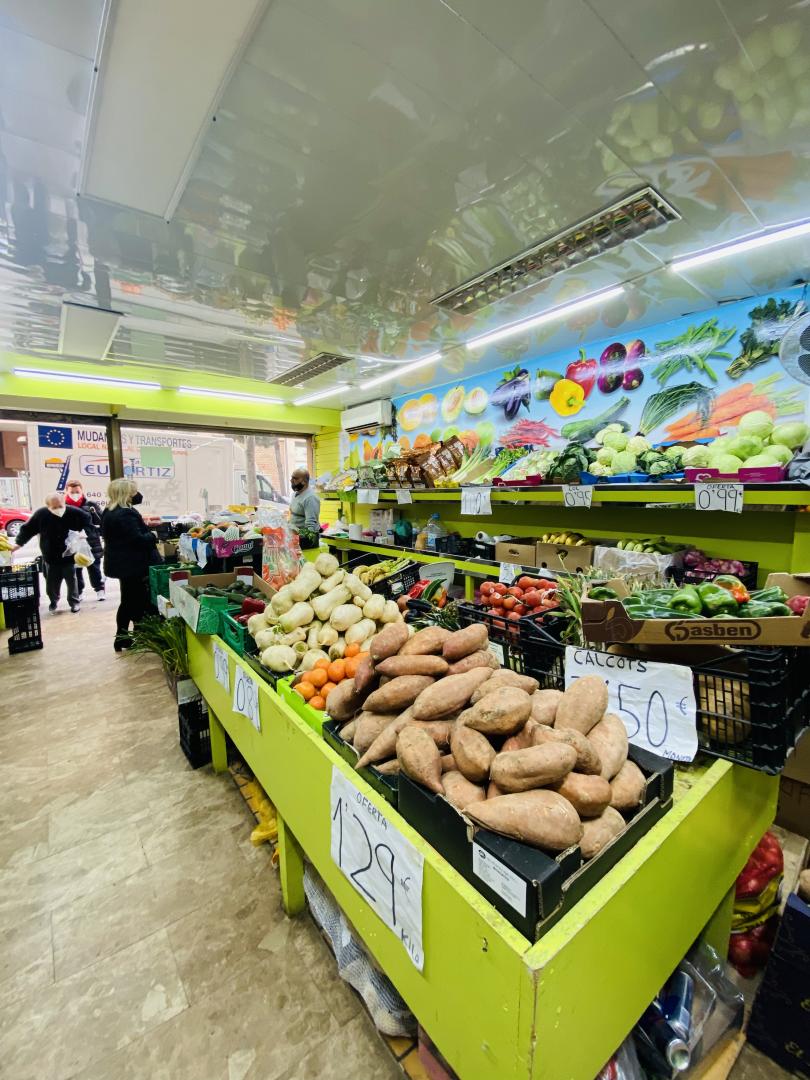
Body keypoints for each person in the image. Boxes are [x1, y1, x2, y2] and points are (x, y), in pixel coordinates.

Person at [101, 478, 159, 652]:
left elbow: (123, 536)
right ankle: (125, 637)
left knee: (129, 600)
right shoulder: (125, 514)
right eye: (134, 492)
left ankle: (125, 637)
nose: (137, 494)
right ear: (126, 493)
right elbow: (137, 540)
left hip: (121, 564)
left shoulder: (109, 510)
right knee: (132, 601)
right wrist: (153, 535)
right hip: (132, 565)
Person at [13, 492, 91, 613]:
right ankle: (53, 601)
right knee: (51, 583)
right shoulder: (41, 514)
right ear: (48, 506)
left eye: (60, 506)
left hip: (69, 555)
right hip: (50, 555)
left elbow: (87, 519)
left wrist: (84, 532)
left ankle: (74, 602)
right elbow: (27, 529)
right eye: (54, 507)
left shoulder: (73, 512)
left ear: (64, 503)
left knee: (72, 580)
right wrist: (18, 543)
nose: (58, 509)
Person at [65, 479, 105, 600]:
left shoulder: (91, 505)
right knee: (75, 569)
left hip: (91, 540)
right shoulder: (63, 506)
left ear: (82, 491)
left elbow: (100, 521)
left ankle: (99, 589)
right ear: (66, 492)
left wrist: (90, 530)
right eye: (72, 492)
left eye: (77, 491)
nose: (75, 494)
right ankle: (79, 591)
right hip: (72, 542)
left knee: (94, 567)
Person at [289, 468, 320, 538]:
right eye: (291, 478)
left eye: (295, 478)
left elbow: (311, 526)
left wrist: (304, 538)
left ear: (304, 481)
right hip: (294, 537)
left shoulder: (310, 498)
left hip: (304, 538)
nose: (291, 480)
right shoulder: (295, 494)